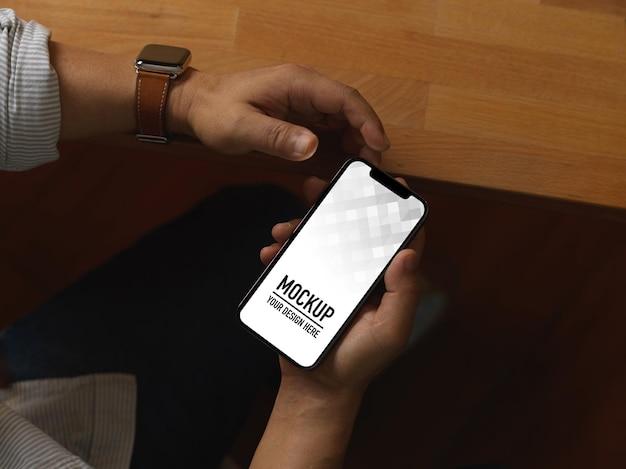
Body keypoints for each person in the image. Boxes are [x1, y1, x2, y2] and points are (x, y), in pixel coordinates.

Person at [0, 8, 425, 468]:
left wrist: (191, 98)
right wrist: (319, 396)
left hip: (29, 397)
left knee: (260, 218)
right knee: (269, 231)